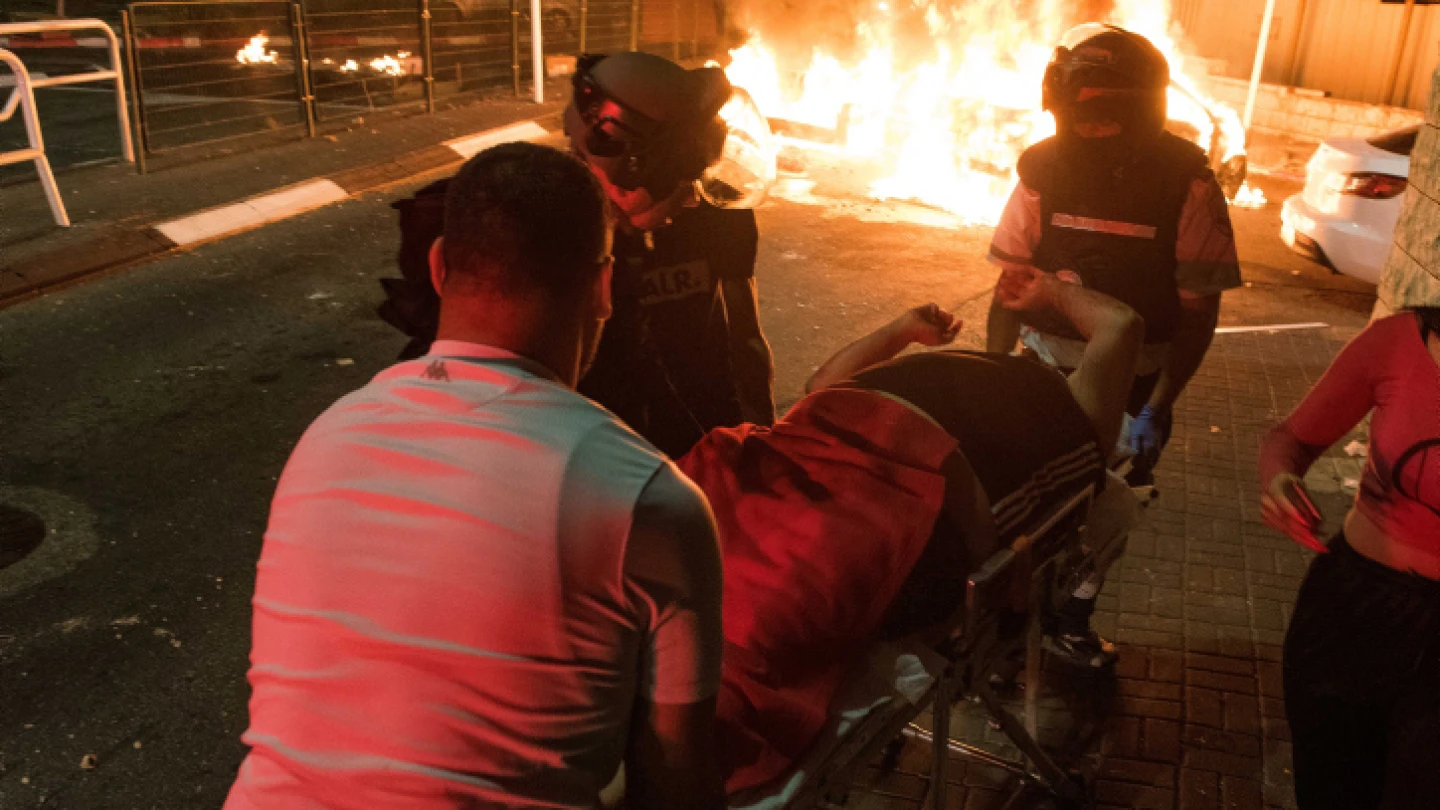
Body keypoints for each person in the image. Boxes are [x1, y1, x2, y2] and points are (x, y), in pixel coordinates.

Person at [225, 143, 725, 810]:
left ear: (436, 268)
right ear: (603, 287)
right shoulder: (648, 500)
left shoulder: (325, 437)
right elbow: (676, 778)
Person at [674, 266, 1145, 792]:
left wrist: (1052, 291)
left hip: (901, 488)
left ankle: (687, 717)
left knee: (780, 588)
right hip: (815, 441)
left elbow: (1122, 325)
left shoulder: (1074, 416)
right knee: (711, 544)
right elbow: (820, 387)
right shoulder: (972, 369)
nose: (1034, 357)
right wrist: (903, 330)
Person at [983, 23, 1241, 667]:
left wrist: (1161, 400)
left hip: (1137, 379)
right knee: (1027, 509)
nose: (1089, 133)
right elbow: (1009, 286)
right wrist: (991, 372)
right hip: (1042, 369)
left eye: (1103, 118)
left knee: (1110, 508)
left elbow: (1197, 312)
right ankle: (1009, 624)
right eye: (1079, 118)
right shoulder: (1041, 170)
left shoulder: (1189, 185)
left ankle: (1073, 615)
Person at [379, 51, 776, 459]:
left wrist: (759, 448)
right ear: (632, 173)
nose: (695, 198)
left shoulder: (716, 218)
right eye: (684, 180)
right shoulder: (531, 237)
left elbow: (744, 340)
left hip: (700, 448)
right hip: (587, 461)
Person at [1259, 309, 1440, 810]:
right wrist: (1280, 482)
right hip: (1355, 611)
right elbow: (1291, 439)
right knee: (1331, 789)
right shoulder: (1400, 341)